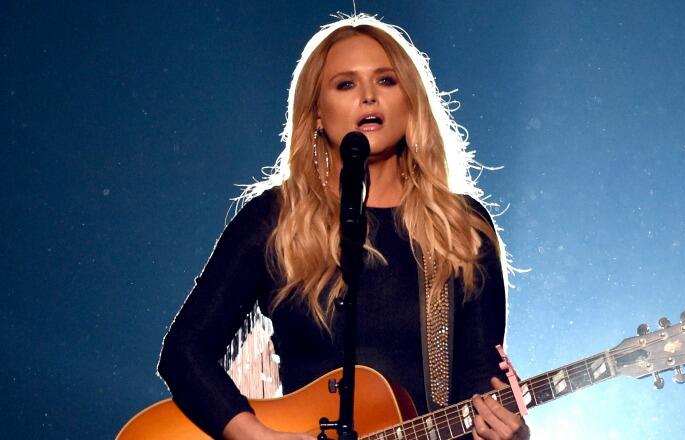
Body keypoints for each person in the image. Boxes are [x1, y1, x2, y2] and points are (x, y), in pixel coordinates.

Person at [157, 13, 530, 440]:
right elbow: (184, 352)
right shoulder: (276, 220)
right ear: (317, 112)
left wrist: (508, 433)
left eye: (387, 81)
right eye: (346, 84)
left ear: (411, 100)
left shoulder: (460, 225)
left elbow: (480, 380)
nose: (369, 97)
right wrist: (254, 435)